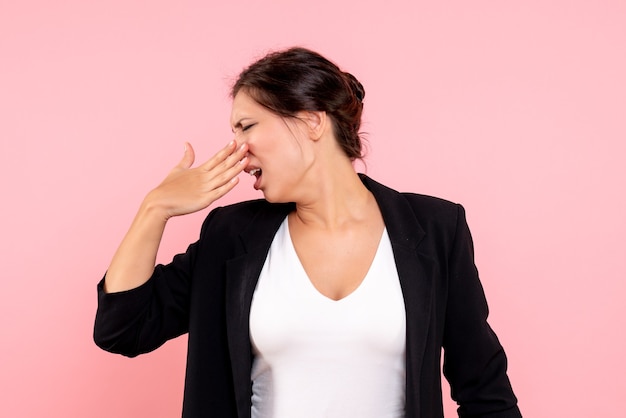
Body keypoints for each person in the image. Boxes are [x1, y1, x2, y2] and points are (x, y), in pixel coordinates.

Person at [94, 47, 521, 418]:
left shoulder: (434, 229)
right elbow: (124, 328)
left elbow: (483, 387)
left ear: (311, 122)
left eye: (246, 127)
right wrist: (156, 208)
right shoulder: (230, 237)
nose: (239, 153)